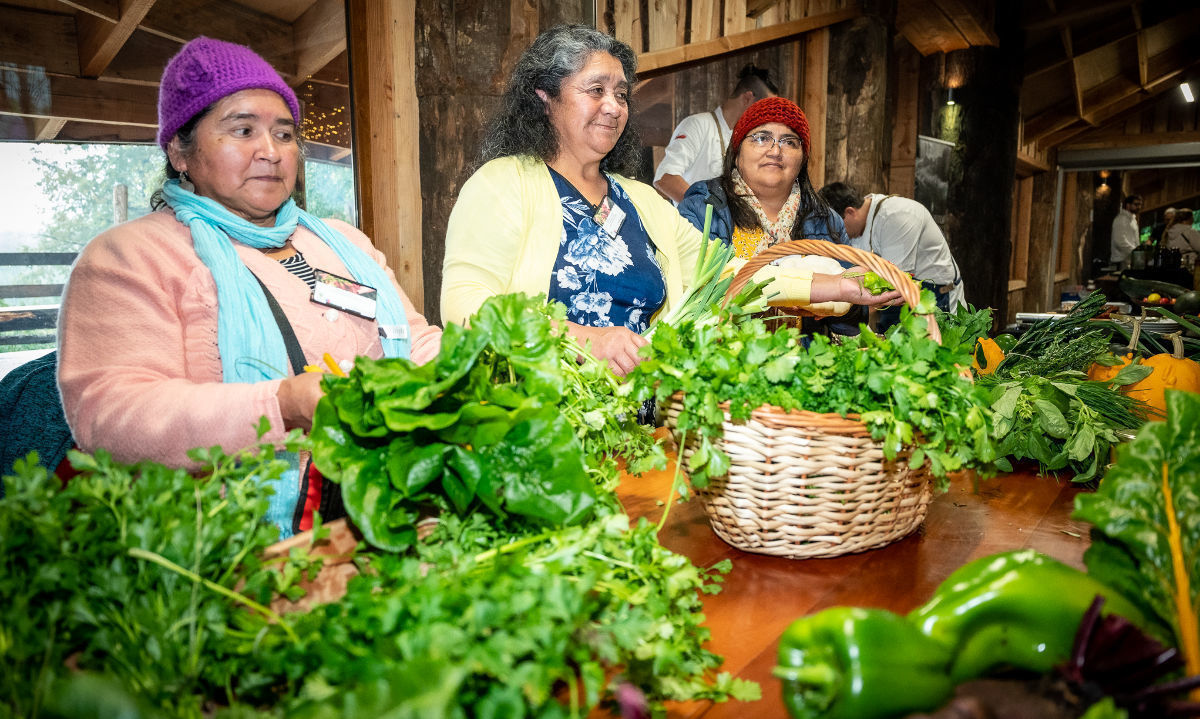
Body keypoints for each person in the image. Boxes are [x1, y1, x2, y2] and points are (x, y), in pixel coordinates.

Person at [56, 37, 441, 538]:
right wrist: (281, 403)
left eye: (284, 135)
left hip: (392, 503)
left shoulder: (343, 242)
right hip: (225, 538)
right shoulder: (130, 256)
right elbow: (111, 414)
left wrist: (478, 364)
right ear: (180, 151)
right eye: (243, 130)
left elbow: (414, 341)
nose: (271, 152)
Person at [440, 25, 899, 378]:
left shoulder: (641, 202)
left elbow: (731, 276)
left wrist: (838, 288)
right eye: (595, 90)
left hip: (649, 421)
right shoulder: (503, 184)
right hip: (542, 422)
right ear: (545, 97)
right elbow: (466, 306)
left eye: (621, 94)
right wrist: (583, 340)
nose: (615, 106)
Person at [819, 182, 965, 322]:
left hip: (934, 295)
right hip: (895, 297)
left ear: (850, 212)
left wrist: (838, 311)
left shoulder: (897, 217)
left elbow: (895, 283)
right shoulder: (856, 228)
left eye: (836, 225)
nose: (835, 233)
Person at [652, 64, 777, 204]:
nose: (766, 116)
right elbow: (665, 178)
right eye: (763, 108)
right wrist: (704, 211)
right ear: (748, 98)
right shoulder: (698, 124)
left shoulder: (746, 139)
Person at [1110, 194, 1143, 270]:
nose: (1139, 207)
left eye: (1140, 205)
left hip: (1129, 259)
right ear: (1128, 205)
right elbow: (1119, 240)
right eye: (1136, 204)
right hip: (1121, 260)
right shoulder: (1121, 219)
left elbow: (1135, 240)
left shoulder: (1132, 220)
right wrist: (1135, 252)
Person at [1163, 208, 1200, 272]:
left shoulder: (1169, 232)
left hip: (1173, 267)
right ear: (1190, 219)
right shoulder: (1190, 232)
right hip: (1189, 267)